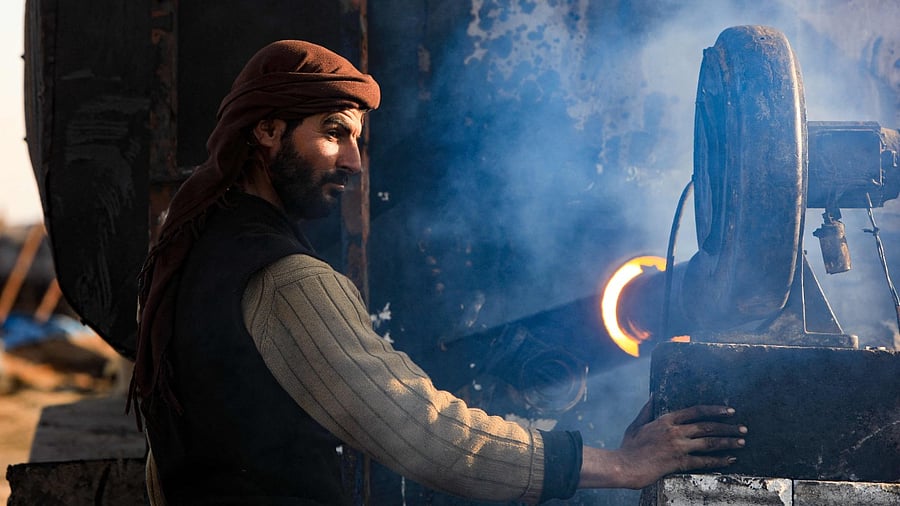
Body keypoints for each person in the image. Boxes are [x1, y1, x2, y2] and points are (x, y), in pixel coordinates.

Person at [128, 40, 747, 505]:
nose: (353, 162)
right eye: (334, 133)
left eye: (358, 141)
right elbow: (422, 432)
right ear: (266, 131)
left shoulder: (191, 251)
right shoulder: (286, 279)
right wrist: (618, 464)